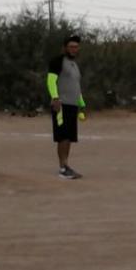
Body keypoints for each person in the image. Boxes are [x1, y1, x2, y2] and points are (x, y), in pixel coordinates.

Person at [47, 34, 87, 179]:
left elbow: (76, 87)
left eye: (76, 47)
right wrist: (55, 98)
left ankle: (66, 165)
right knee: (62, 136)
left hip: (72, 105)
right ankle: (63, 168)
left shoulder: (75, 65)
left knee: (69, 137)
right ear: (65, 48)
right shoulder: (58, 61)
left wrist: (82, 104)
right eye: (71, 46)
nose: (74, 49)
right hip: (61, 105)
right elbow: (51, 81)